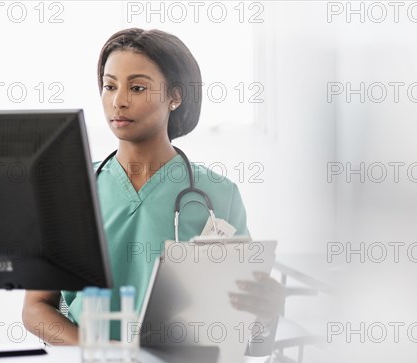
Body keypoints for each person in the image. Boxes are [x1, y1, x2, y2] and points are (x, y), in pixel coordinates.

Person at [22, 28, 284, 345]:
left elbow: (240, 310)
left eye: (137, 87)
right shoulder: (69, 191)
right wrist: (101, 353)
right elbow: (35, 309)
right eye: (109, 86)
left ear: (175, 96)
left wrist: (266, 309)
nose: (118, 101)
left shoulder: (219, 194)